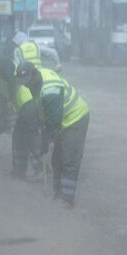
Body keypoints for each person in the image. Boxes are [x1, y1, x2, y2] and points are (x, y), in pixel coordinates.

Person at [19, 62, 89, 208]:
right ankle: (57, 194)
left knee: (70, 159)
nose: (26, 85)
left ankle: (67, 199)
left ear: (34, 74)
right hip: (62, 120)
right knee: (57, 159)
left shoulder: (50, 89)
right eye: (23, 83)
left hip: (75, 118)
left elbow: (54, 121)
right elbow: (43, 111)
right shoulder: (35, 80)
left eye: (28, 82)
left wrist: (45, 141)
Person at [0, 51, 40, 179]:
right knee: (18, 136)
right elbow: (5, 97)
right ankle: (20, 170)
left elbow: (11, 81)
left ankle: (40, 167)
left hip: (28, 103)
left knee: (30, 136)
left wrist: (10, 99)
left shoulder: (3, 63)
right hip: (23, 107)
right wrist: (3, 117)